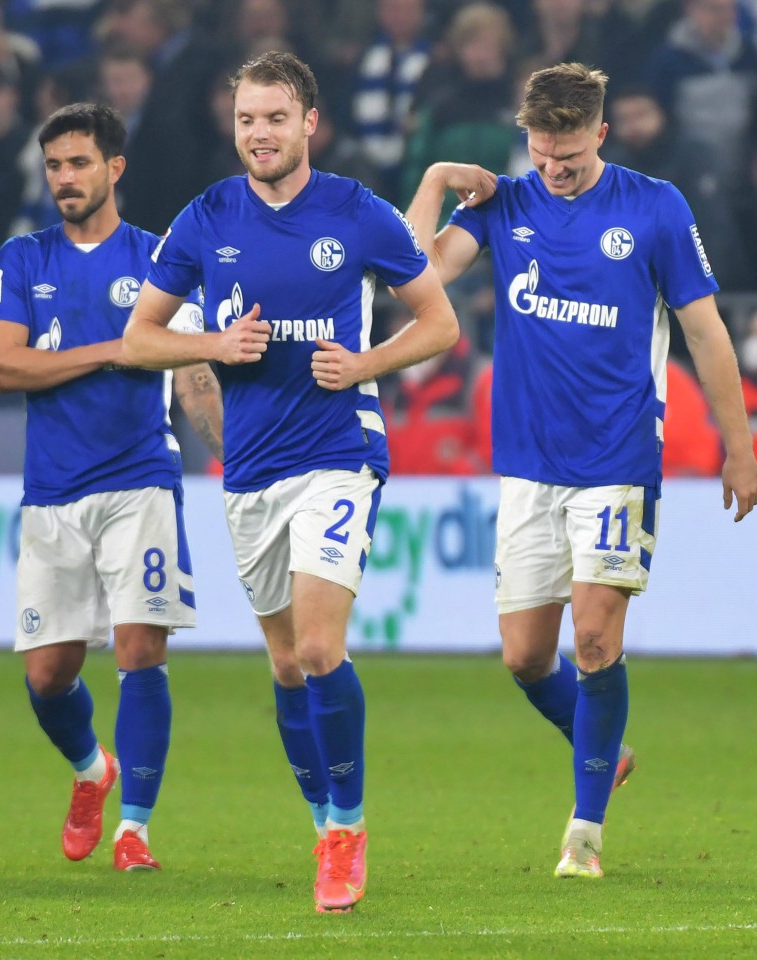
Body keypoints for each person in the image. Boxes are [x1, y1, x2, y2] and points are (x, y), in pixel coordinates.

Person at [406, 61, 757, 880]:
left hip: (618, 458)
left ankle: (585, 831)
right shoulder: (504, 203)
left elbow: (706, 334)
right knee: (526, 658)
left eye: (568, 153)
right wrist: (431, 181)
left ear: (600, 133)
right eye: (541, 152)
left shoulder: (655, 209)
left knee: (596, 637)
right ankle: (606, 751)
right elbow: (415, 280)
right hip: (530, 463)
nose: (554, 169)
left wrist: (737, 444)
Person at [123, 50, 460, 913]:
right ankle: (322, 823)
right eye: (246, 120)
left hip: (338, 454)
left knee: (317, 648)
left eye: (274, 118)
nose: (259, 134)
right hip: (253, 470)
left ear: (310, 122)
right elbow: (139, 339)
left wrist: (368, 364)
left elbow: (441, 321)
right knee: (283, 666)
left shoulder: (359, 212)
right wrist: (212, 346)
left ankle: (347, 831)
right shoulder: (205, 219)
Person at [0, 101, 219, 872]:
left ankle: (135, 832)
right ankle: (92, 769)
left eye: (79, 163)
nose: (64, 179)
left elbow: (188, 371)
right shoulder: (23, 259)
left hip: (140, 480)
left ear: (114, 168)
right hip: (52, 491)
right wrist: (110, 351)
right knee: (48, 676)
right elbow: (3, 365)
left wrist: (222, 444)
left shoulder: (159, 261)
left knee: (140, 650)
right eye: (53, 166)